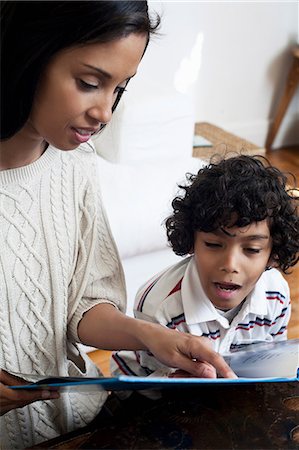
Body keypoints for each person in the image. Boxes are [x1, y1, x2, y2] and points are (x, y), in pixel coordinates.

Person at [0, 2, 236, 448]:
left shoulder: (75, 167)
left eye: (119, 89)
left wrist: (151, 336)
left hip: (82, 419)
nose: (105, 112)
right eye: (90, 83)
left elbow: (83, 306)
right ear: (27, 54)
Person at [111, 154, 299, 384]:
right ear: (191, 241)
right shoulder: (159, 305)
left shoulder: (277, 295)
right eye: (213, 244)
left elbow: (273, 363)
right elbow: (152, 388)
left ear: (273, 254)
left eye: (251, 249)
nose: (230, 264)